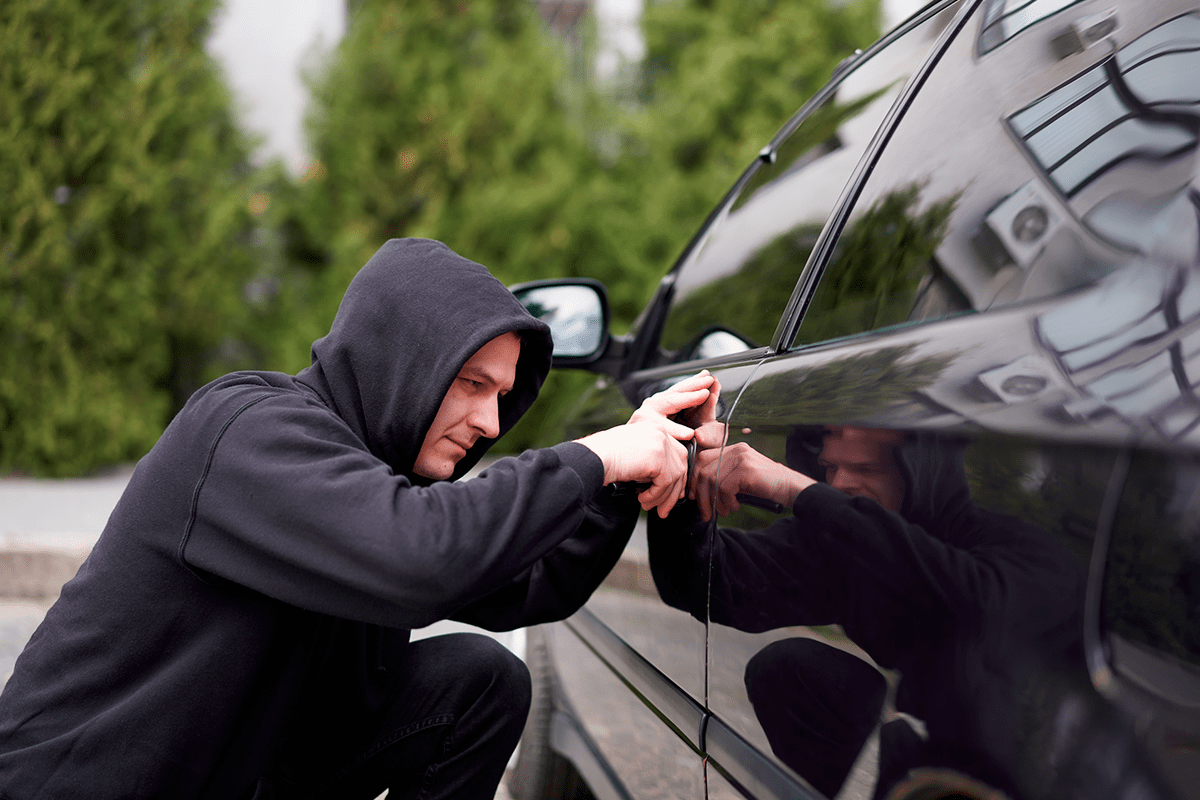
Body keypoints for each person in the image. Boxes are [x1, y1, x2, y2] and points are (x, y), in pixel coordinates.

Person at [0, 238, 713, 800]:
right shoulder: (248, 429)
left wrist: (630, 471)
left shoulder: (380, 485)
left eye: (501, 395)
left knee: (480, 682)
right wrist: (593, 457)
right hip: (82, 785)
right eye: (471, 384)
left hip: (236, 780)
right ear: (403, 358)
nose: (490, 420)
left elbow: (536, 582)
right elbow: (421, 554)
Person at [651, 421, 1086, 798]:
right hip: (925, 752)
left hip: (1054, 762)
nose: (838, 485)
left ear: (920, 472)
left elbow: (982, 609)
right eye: (830, 469)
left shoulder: (1018, 544)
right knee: (787, 669)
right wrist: (682, 480)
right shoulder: (843, 545)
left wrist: (795, 488)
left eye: (864, 469)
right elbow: (704, 582)